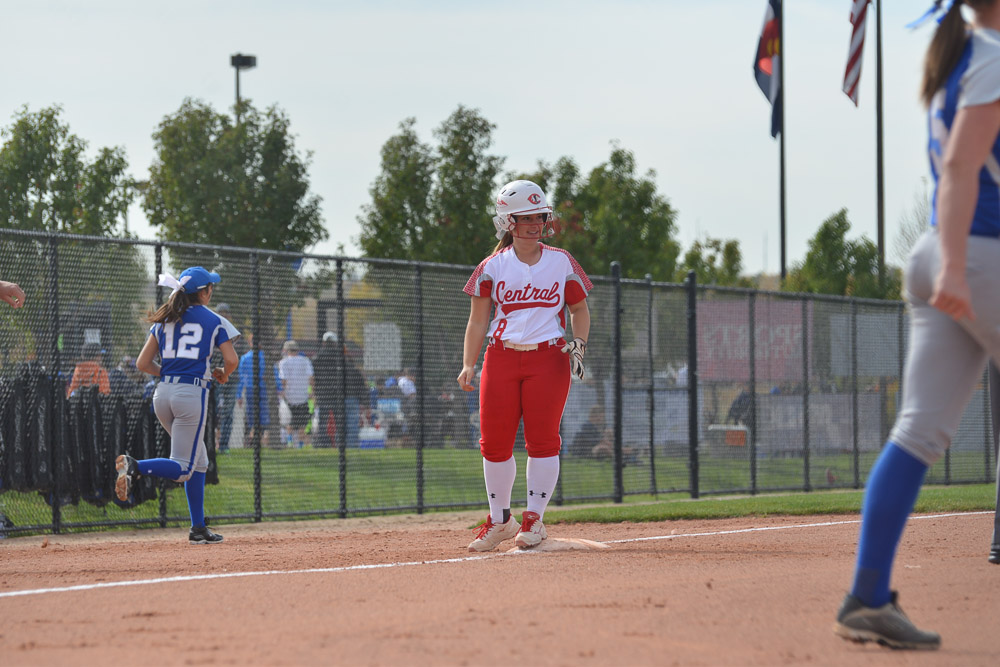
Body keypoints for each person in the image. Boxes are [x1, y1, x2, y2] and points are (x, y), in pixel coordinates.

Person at [834, 1, 1000, 650]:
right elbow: (960, 165)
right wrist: (956, 267)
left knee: (917, 432)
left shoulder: (960, 55)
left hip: (942, 251)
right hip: (975, 254)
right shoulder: (991, 57)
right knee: (918, 430)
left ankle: (867, 597)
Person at [458, 180, 591, 552]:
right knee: (493, 443)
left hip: (549, 358)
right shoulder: (491, 266)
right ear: (507, 221)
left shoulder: (562, 261)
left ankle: (534, 519)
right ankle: (500, 520)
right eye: (525, 217)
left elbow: (579, 309)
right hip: (500, 357)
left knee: (543, 440)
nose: (534, 224)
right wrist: (469, 364)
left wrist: (579, 345)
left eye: (539, 216)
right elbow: (477, 321)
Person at [114, 266, 238, 545]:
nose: (211, 291)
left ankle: (198, 528)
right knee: (183, 468)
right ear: (204, 293)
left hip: (162, 395)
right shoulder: (214, 319)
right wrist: (223, 373)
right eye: (210, 287)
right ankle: (135, 466)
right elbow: (231, 360)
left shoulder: (165, 318)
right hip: (190, 396)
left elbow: (142, 363)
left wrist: (171, 373)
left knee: (200, 461)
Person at [313, 331, 364, 449]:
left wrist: (315, 392)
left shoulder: (317, 358)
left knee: (323, 420)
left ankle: (324, 443)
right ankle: (340, 443)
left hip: (323, 394)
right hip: (337, 394)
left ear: (324, 342)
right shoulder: (340, 358)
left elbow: (314, 378)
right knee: (339, 421)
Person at [212, 303, 240, 453]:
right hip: (215, 377)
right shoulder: (211, 329)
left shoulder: (233, 331)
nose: (224, 315)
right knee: (212, 410)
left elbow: (237, 356)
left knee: (228, 412)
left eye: (226, 313)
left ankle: (224, 445)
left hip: (231, 378)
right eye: (221, 313)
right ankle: (211, 442)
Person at [277, 339, 314, 448]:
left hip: (290, 396)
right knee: (302, 423)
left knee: (290, 421)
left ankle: (290, 442)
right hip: (303, 395)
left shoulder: (283, 362)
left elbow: (283, 380)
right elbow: (311, 377)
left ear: (286, 350)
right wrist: (312, 391)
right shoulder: (305, 361)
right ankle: (300, 445)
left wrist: (283, 392)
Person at [236, 332, 271, 447]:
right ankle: (262, 441)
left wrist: (239, 395)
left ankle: (254, 441)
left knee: (252, 416)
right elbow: (273, 373)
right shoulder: (265, 357)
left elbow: (241, 378)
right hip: (263, 389)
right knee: (264, 416)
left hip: (251, 390)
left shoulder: (245, 358)